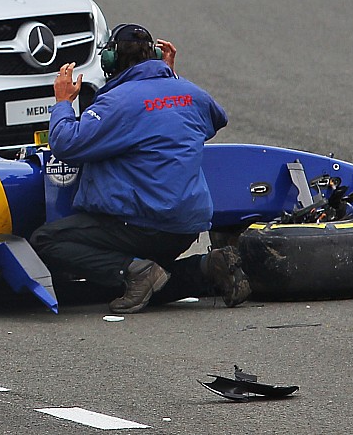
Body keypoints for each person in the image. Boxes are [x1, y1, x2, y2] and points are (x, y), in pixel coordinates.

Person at [29, 23, 250, 313]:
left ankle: (135, 271)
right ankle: (208, 266)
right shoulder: (190, 92)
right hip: (185, 226)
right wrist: (170, 80)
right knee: (156, 278)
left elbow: (66, 144)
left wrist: (63, 103)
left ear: (110, 61)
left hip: (142, 223)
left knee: (46, 240)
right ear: (157, 55)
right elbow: (215, 119)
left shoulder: (117, 102)